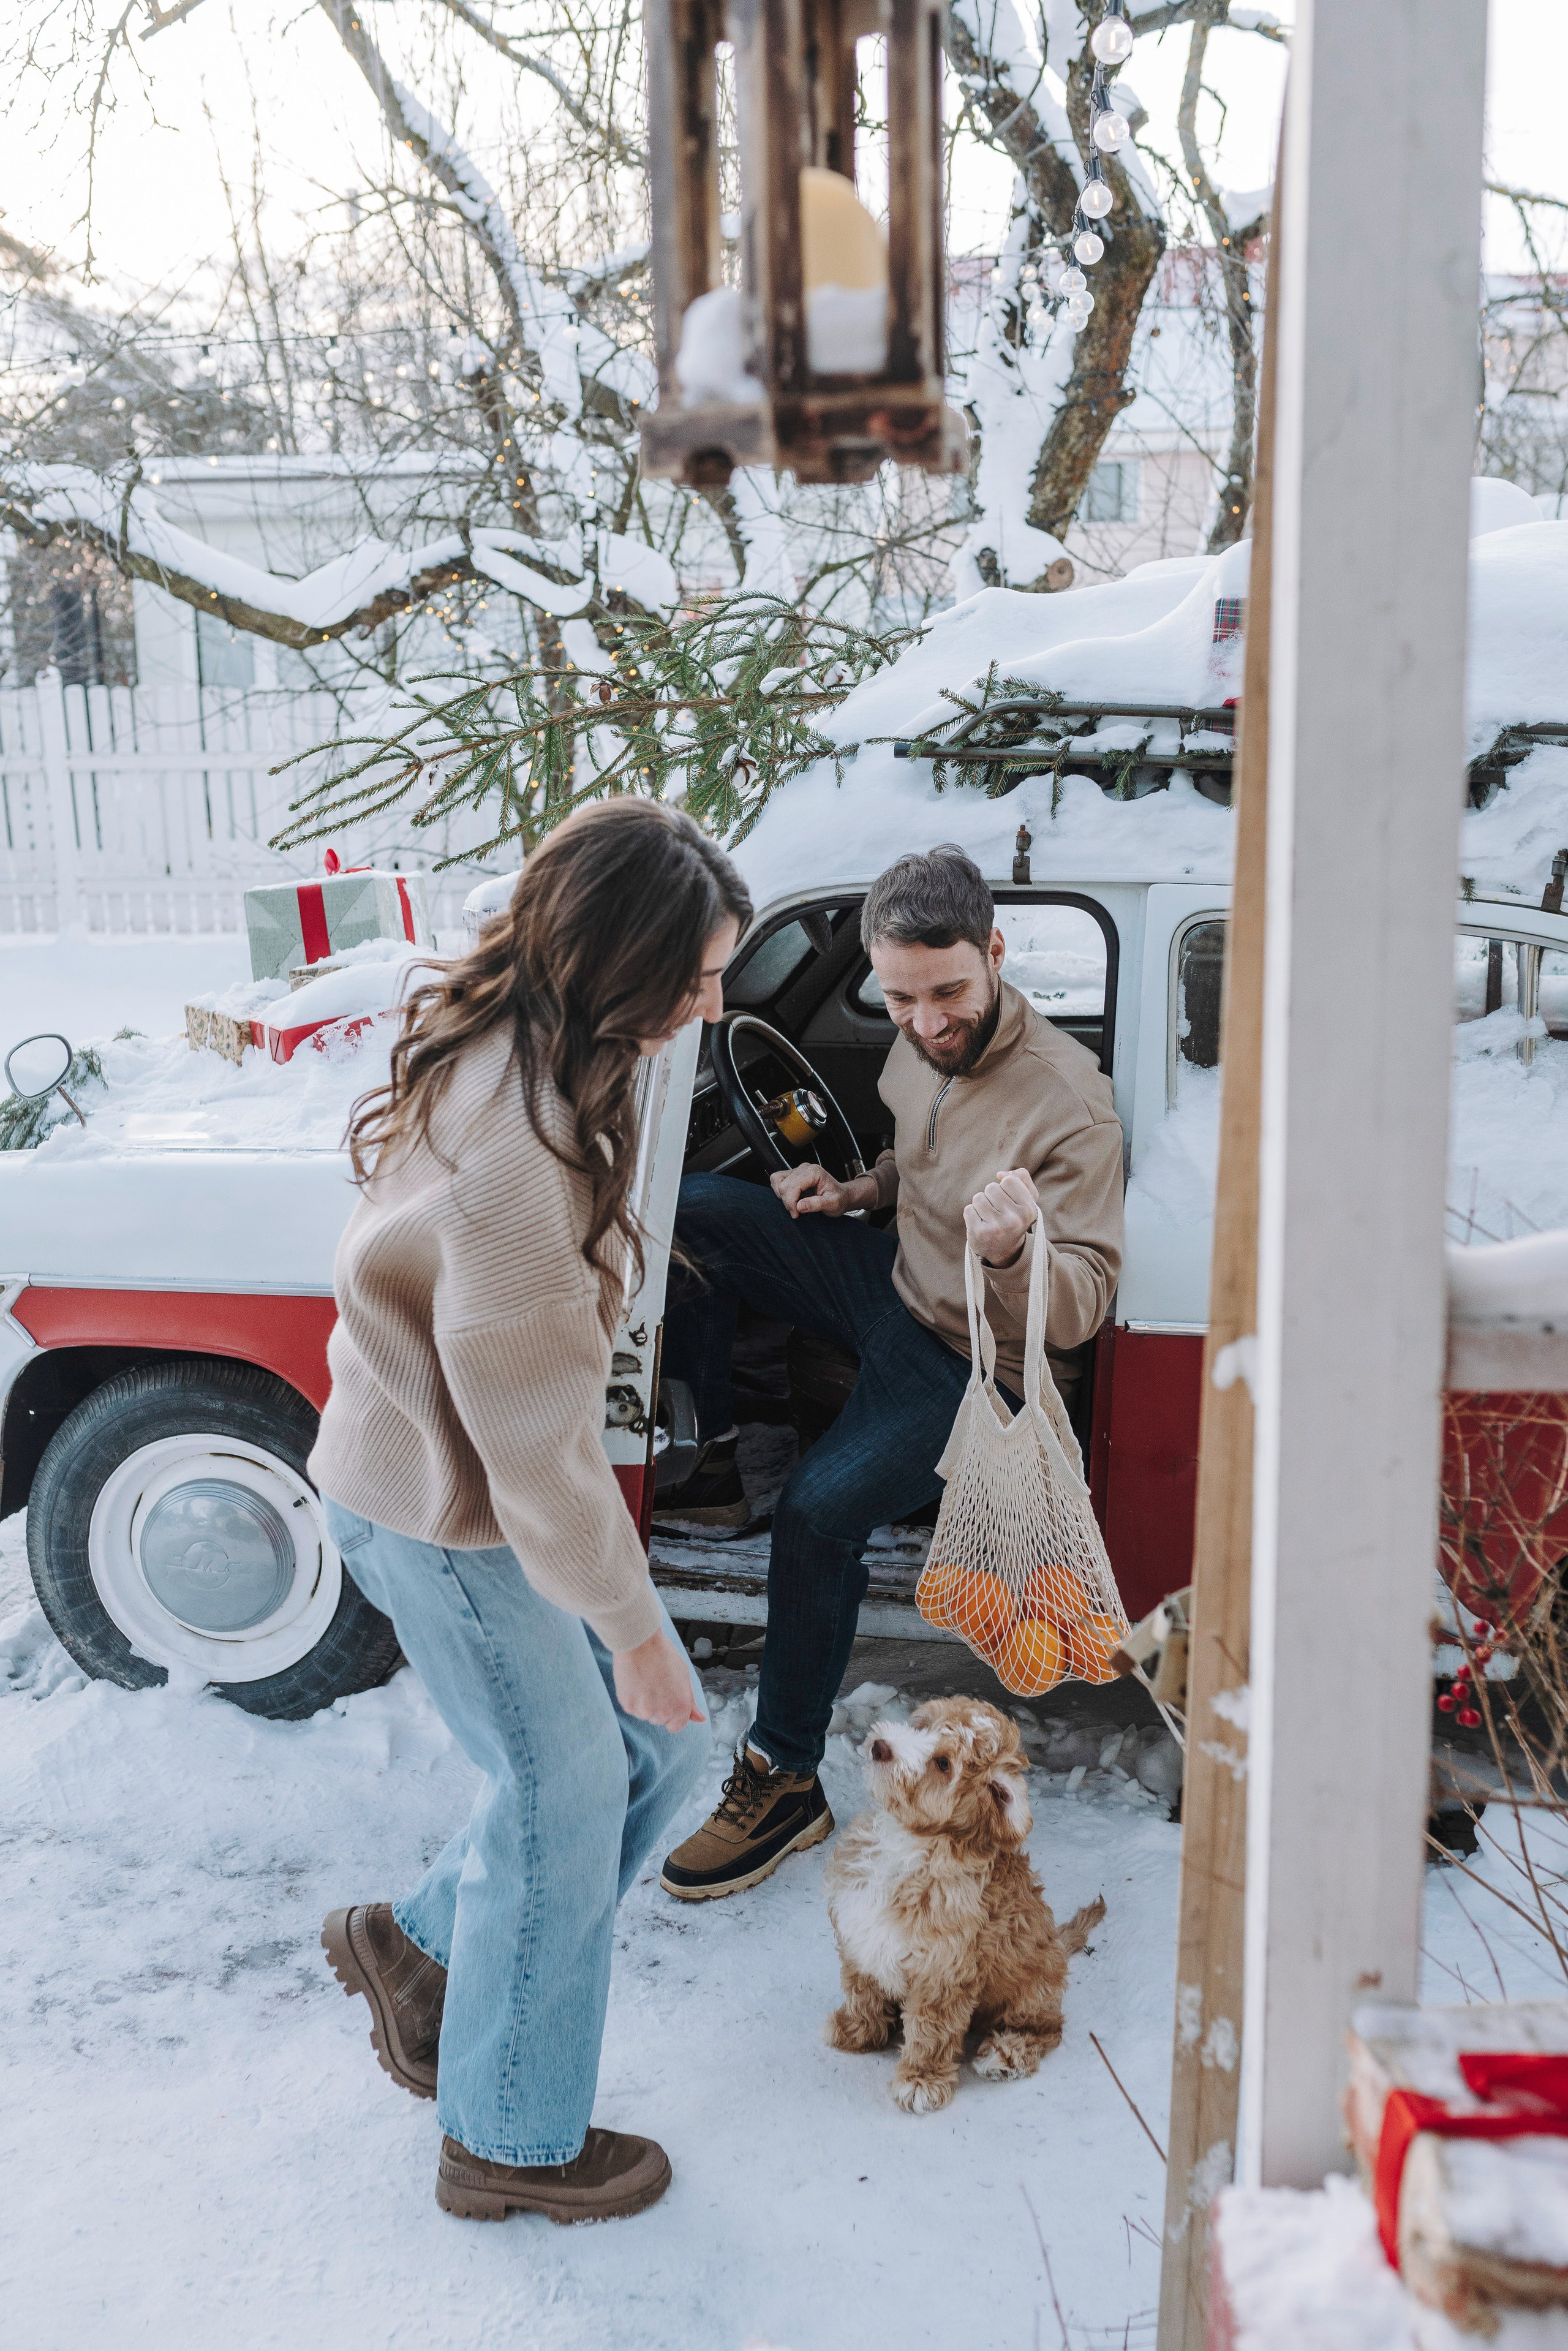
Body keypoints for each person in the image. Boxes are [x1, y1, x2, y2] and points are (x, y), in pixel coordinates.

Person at [310, 801, 752, 2224]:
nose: (711, 1003)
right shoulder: (519, 1158)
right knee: (572, 1791)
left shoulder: (534, 1044)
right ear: (616, 960)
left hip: (449, 1495)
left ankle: (424, 1949)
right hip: (452, 1522)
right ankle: (503, 2132)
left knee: (651, 1763)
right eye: (692, 975)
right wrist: (634, 1627)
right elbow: (539, 1455)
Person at [656, 842, 1125, 1901]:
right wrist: (856, 1190)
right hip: (891, 1277)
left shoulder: (1069, 1104)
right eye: (900, 996)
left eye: (948, 991)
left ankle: (783, 1776)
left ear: (996, 951)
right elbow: (917, 1161)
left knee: (819, 1509)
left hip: (974, 1356)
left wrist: (1011, 1252)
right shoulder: (921, 1039)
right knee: (696, 1214)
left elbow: (1083, 1307)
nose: (923, 1020)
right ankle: (719, 1457)